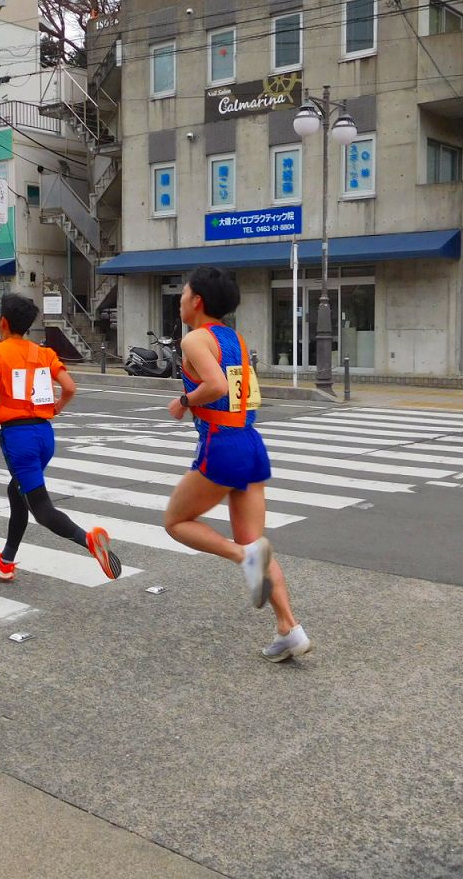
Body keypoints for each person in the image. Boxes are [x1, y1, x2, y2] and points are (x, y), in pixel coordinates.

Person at [163, 266, 311, 662]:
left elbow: (216, 387)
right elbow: (243, 394)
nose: (179, 299)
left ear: (197, 301)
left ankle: (238, 557)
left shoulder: (195, 339)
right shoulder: (236, 340)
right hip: (250, 441)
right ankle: (289, 629)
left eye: (183, 292)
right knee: (255, 544)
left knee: (176, 523)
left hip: (222, 445)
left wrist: (184, 402)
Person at [0, 292, 120, 583]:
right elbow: (70, 387)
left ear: (2, 322)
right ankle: (6, 561)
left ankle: (89, 541)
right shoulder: (42, 353)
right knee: (17, 493)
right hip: (44, 436)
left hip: (19, 438)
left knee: (41, 508)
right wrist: (55, 408)